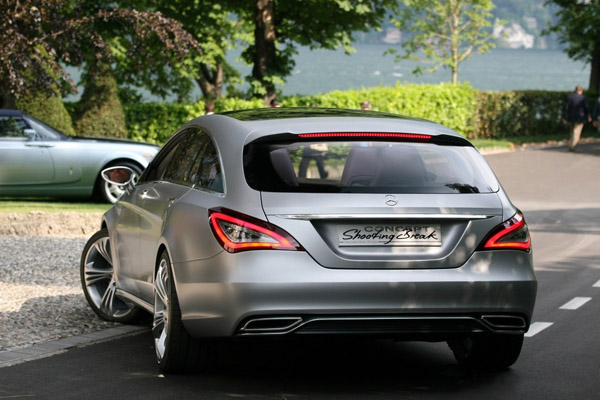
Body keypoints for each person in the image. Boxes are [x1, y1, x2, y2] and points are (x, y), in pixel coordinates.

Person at [562, 85, 591, 152]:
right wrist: (588, 116)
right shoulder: (583, 98)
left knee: (572, 131)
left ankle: (571, 144)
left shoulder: (570, 97)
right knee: (576, 131)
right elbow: (586, 108)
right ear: (581, 90)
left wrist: (564, 116)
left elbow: (566, 108)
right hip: (580, 117)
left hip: (571, 117)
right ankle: (573, 146)